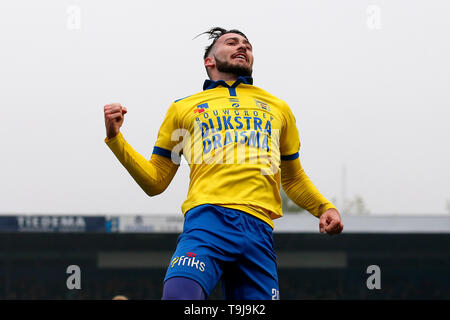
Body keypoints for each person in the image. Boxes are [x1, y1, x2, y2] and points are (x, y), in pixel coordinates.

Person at [103, 27, 344, 300]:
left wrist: (324, 207)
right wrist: (115, 138)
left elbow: (292, 177)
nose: (242, 47)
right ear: (209, 60)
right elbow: (156, 181)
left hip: (259, 231)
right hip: (207, 222)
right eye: (232, 42)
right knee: (179, 296)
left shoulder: (278, 108)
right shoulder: (183, 109)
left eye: (247, 45)